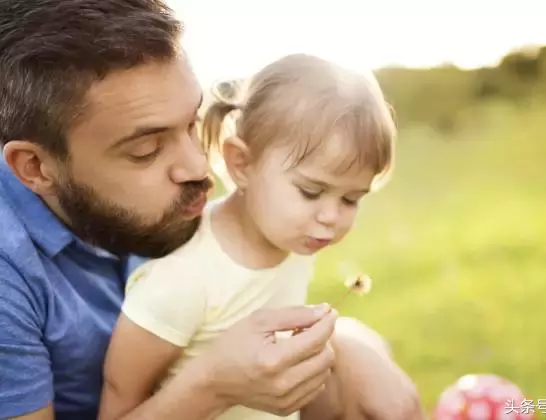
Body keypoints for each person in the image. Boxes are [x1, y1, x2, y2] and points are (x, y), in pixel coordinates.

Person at [0, 1, 423, 419]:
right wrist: (212, 385)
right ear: (36, 167)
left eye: (192, 124)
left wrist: (349, 347)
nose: (201, 167)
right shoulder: (8, 278)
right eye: (146, 150)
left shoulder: (199, 206)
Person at [98, 52, 406, 420]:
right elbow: (118, 409)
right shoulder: (181, 280)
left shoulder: (292, 239)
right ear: (242, 164)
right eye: (310, 191)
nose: (331, 217)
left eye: (351, 199)